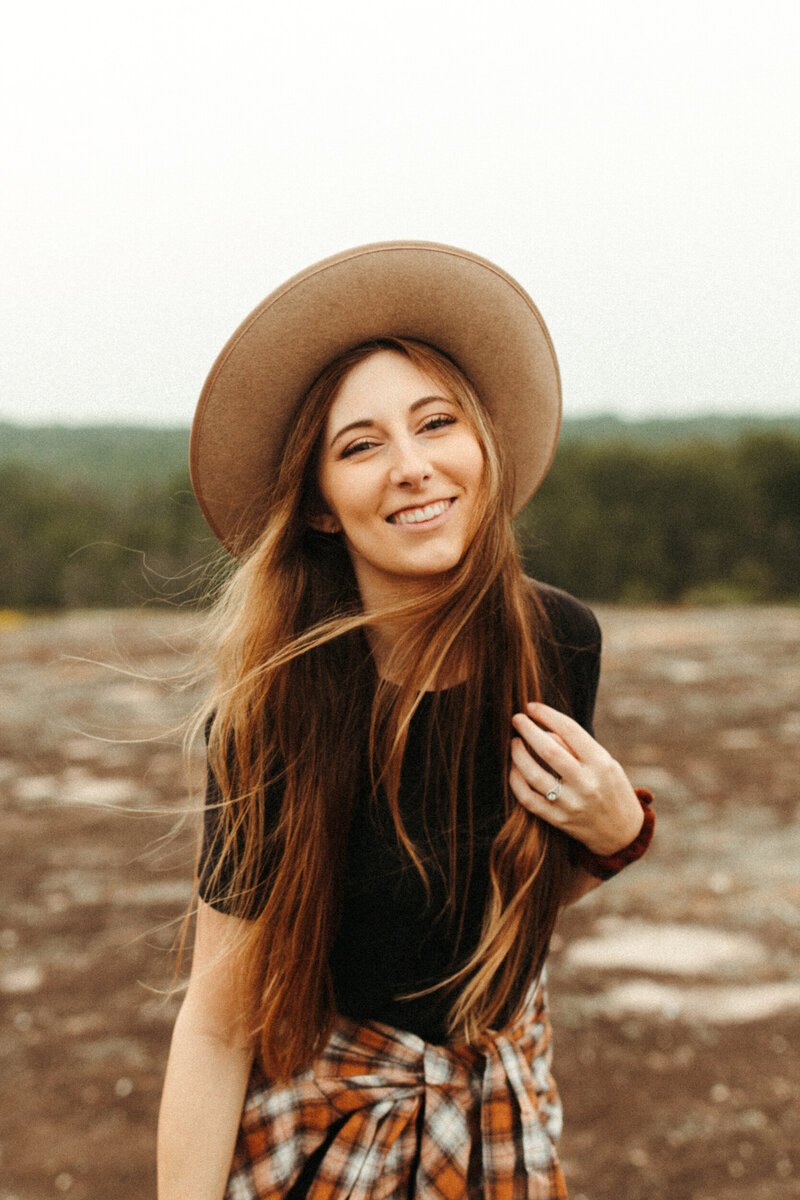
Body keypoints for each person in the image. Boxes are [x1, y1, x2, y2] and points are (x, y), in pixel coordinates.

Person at [157, 241, 655, 1200]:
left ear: (483, 447)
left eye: (437, 424)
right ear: (319, 509)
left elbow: (485, 897)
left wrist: (616, 835)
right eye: (361, 444)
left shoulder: (556, 640)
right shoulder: (274, 716)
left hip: (505, 1111)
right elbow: (218, 1028)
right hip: (331, 1127)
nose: (415, 468)